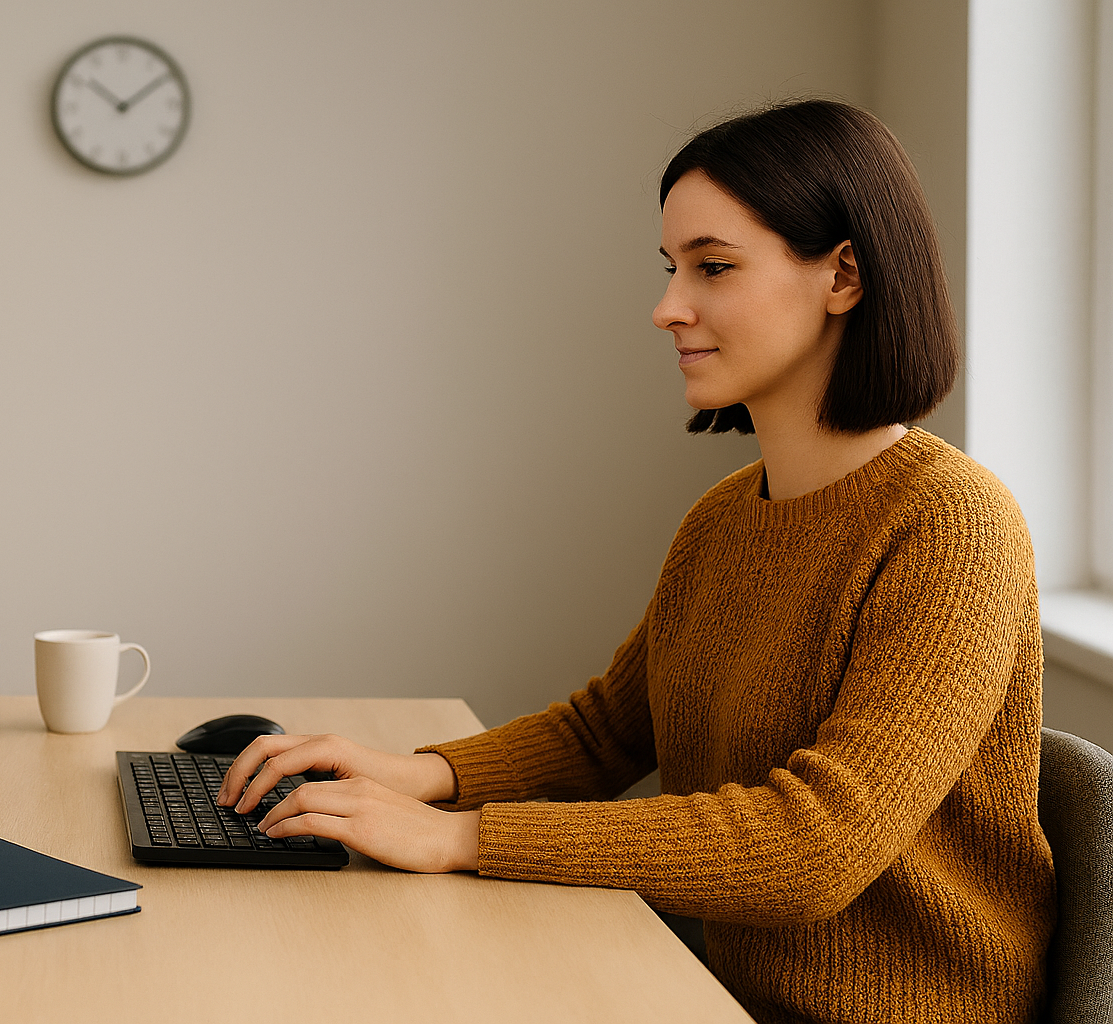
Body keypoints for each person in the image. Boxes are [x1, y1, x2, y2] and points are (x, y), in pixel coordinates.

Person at [216, 99, 1054, 1024]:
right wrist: (413, 775)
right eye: (672, 269)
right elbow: (604, 736)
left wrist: (460, 838)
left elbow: (813, 848)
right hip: (706, 988)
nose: (667, 308)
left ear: (844, 276)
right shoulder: (724, 521)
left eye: (715, 268)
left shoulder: (953, 526)